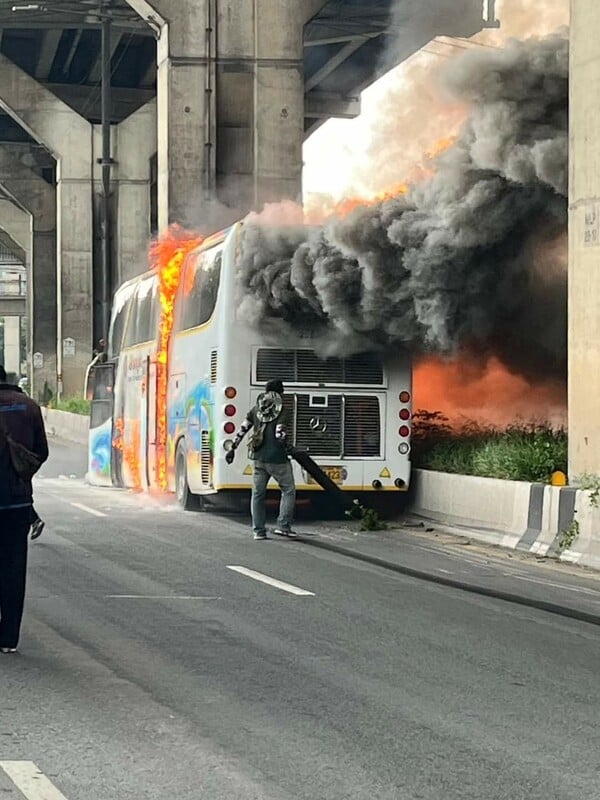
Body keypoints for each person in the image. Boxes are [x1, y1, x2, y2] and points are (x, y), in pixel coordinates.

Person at [0, 364, 49, 653]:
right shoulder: (28, 406)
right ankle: (9, 639)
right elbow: (41, 452)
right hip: (18, 501)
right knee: (13, 567)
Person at [226, 379, 296, 540]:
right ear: (281, 392)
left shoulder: (257, 408)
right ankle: (283, 526)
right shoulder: (283, 410)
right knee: (288, 490)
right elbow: (280, 433)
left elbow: (243, 429)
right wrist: (288, 447)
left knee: (258, 494)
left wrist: (233, 448)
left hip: (258, 458)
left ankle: (258, 531)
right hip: (277, 459)